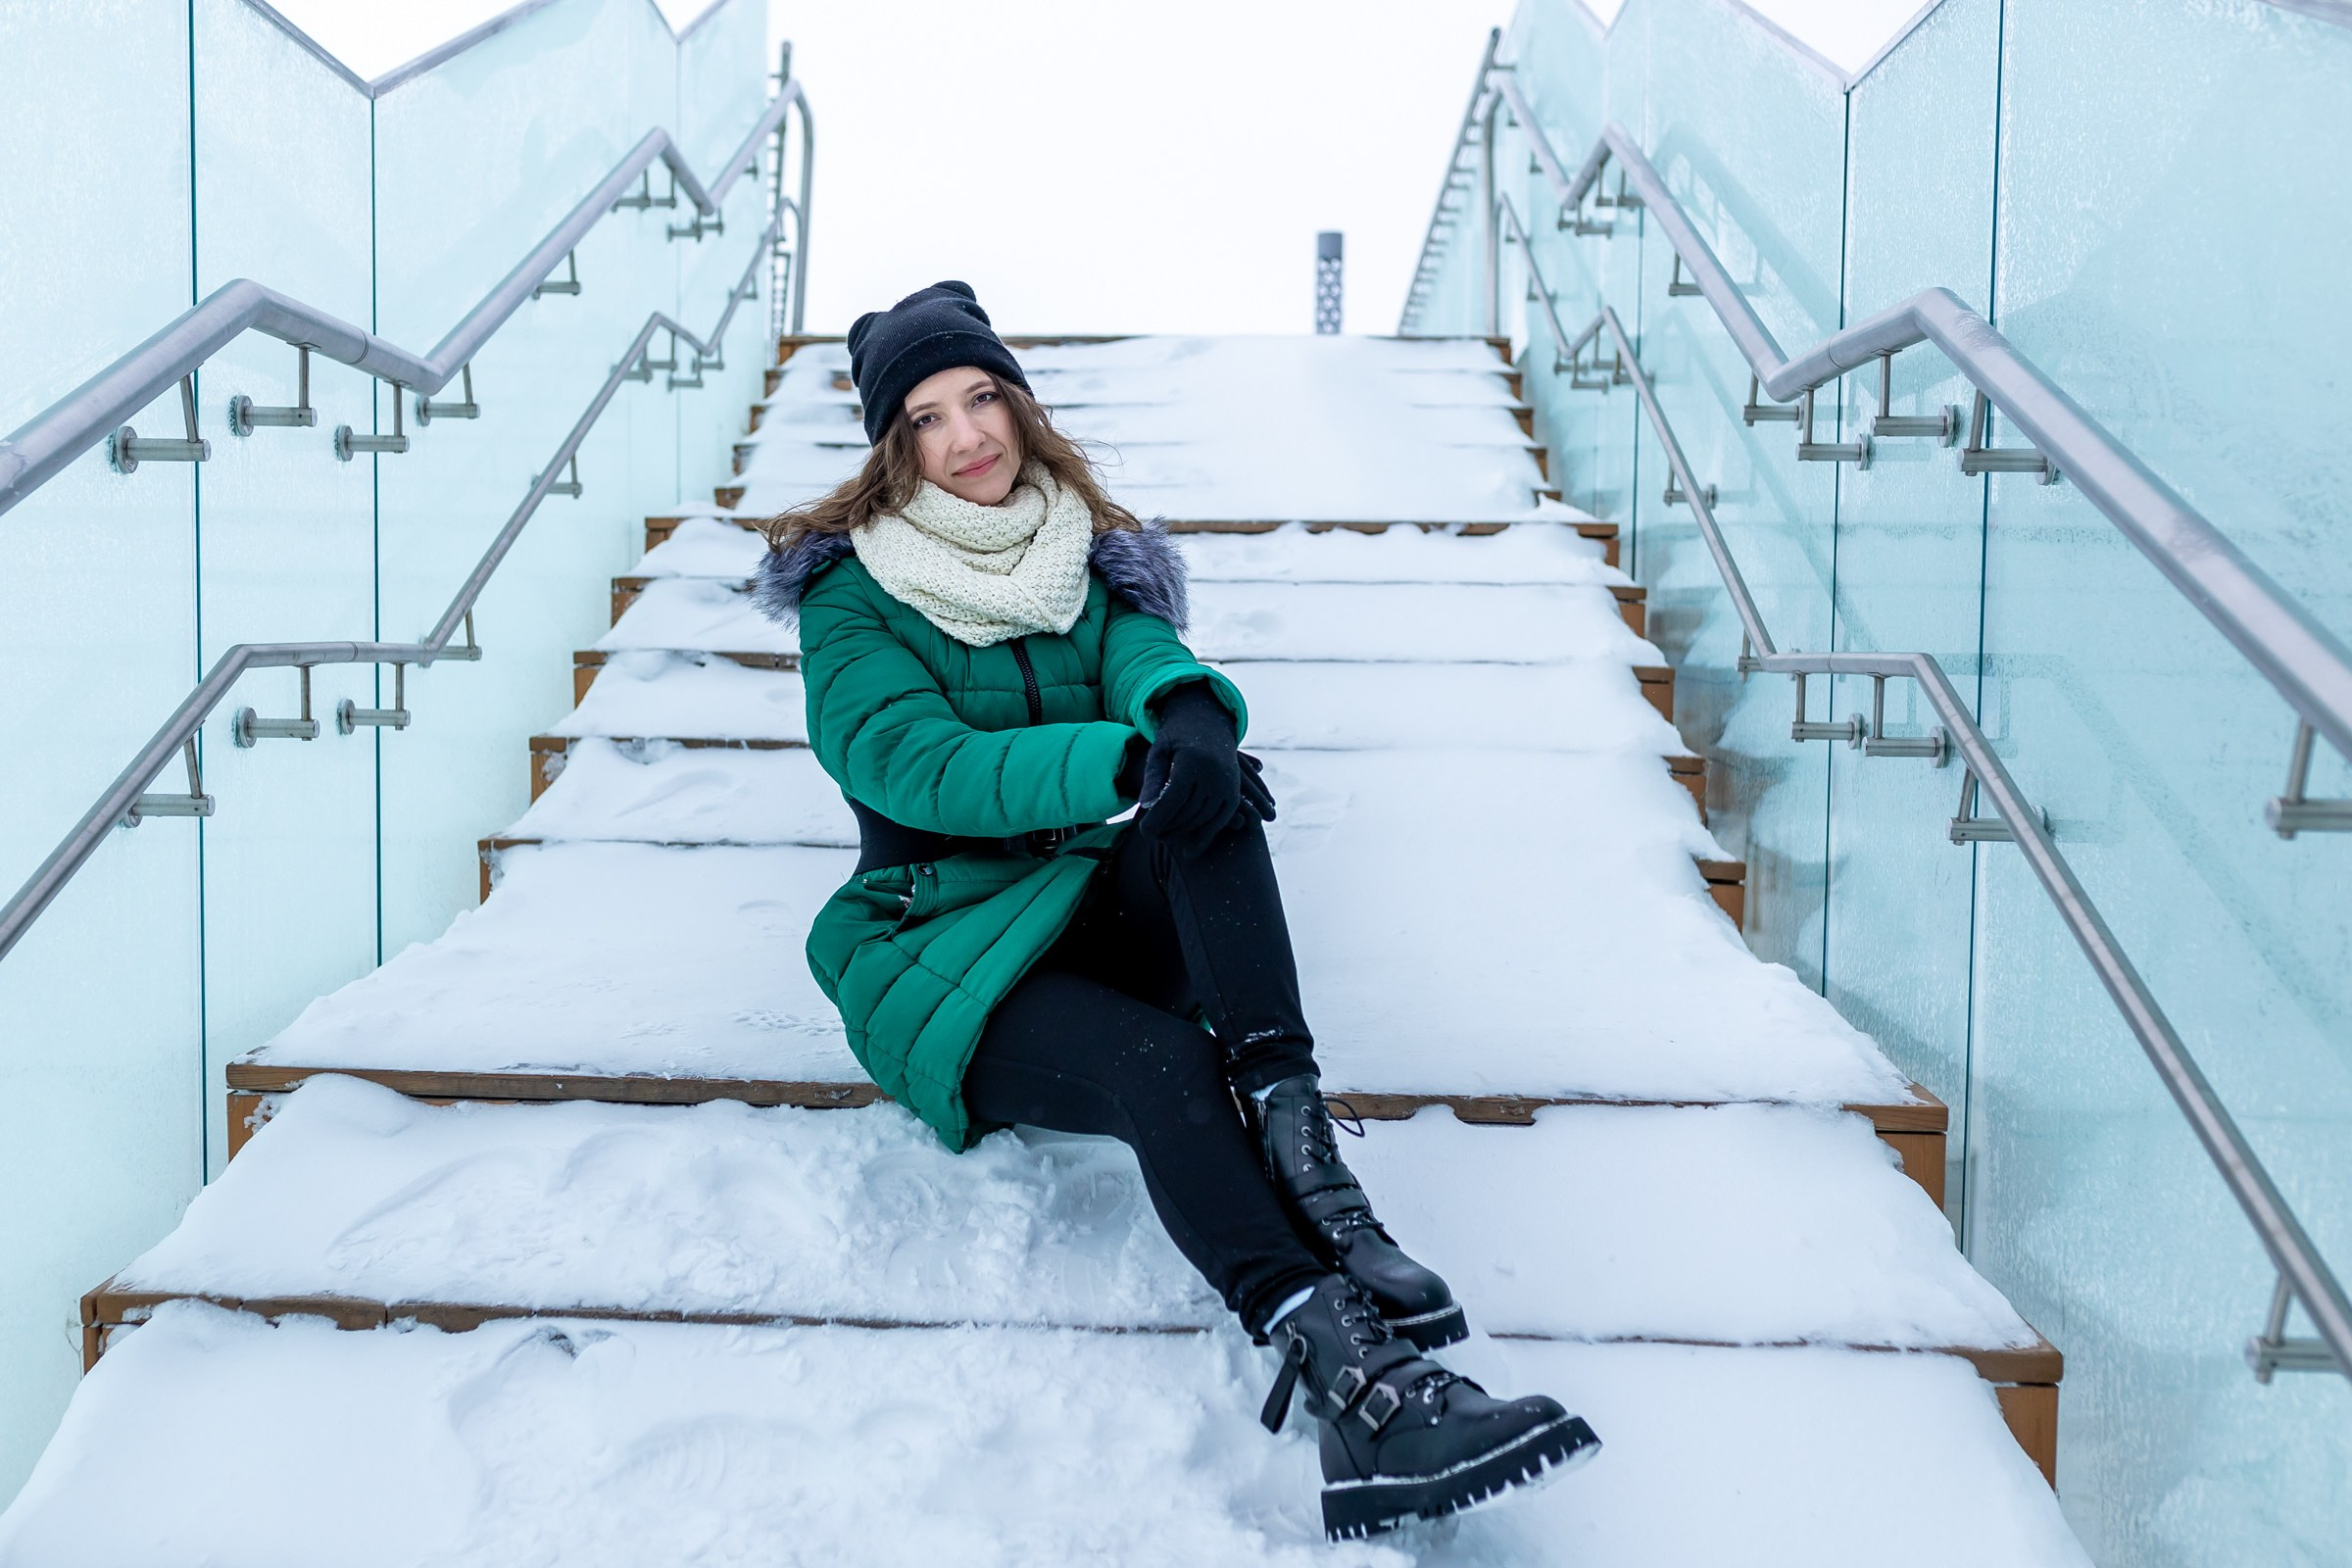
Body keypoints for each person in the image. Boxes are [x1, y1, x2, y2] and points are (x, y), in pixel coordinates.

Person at [753, 281, 1598, 1539]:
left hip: (1073, 905)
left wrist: (1188, 717)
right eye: (928, 417)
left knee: (1213, 796)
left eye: (983, 398)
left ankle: (1313, 1171)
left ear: (1020, 404)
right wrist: (1121, 759)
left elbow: (1143, 659)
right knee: (1162, 1063)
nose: (968, 435)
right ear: (895, 444)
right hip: (942, 952)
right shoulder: (852, 596)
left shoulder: (1082, 551)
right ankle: (1358, 1385)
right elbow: (915, 762)